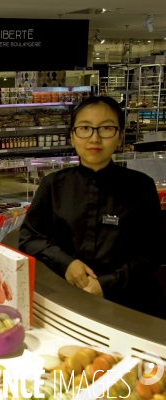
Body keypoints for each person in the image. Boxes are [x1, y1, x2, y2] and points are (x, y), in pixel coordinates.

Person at [19, 96, 166, 318]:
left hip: (131, 303)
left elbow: (154, 251)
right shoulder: (53, 184)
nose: (94, 138)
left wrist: (107, 284)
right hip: (68, 297)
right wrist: (66, 263)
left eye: (106, 128)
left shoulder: (140, 186)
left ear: (120, 135)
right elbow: (29, 238)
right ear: (72, 135)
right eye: (85, 128)